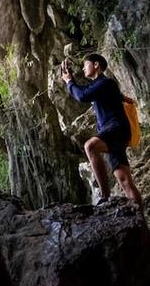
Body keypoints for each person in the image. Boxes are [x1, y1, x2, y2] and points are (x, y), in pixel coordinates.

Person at [61, 53, 143, 208]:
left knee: (90, 146)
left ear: (96, 64)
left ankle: (105, 196)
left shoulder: (106, 82)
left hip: (116, 128)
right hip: (116, 133)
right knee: (124, 180)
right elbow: (84, 91)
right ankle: (143, 226)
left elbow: (82, 96)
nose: (84, 68)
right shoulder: (103, 86)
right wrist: (69, 77)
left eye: (86, 65)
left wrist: (70, 82)